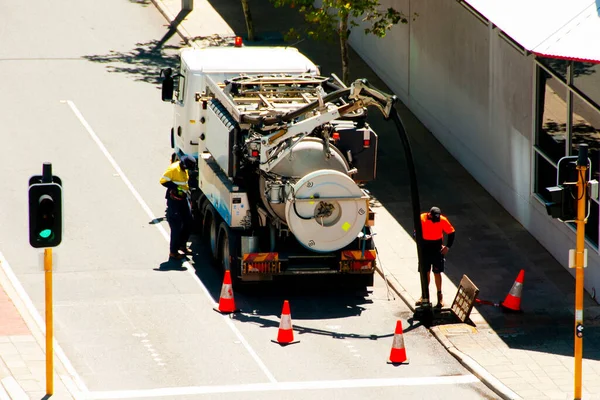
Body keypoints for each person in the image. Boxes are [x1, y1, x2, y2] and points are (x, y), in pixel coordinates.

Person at [417, 206, 455, 308]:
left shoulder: (442, 220)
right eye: (434, 219)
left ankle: (440, 297)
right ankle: (424, 295)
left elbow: (451, 232)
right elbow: (416, 231)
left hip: (437, 249)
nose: (435, 221)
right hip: (425, 249)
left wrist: (448, 247)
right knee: (425, 273)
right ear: (429, 215)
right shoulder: (422, 218)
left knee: (437, 272)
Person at [160, 155, 197, 260]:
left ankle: (182, 245)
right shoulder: (173, 169)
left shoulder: (183, 169)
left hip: (183, 197)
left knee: (189, 222)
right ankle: (173, 251)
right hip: (174, 200)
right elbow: (163, 181)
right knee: (176, 226)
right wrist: (176, 188)